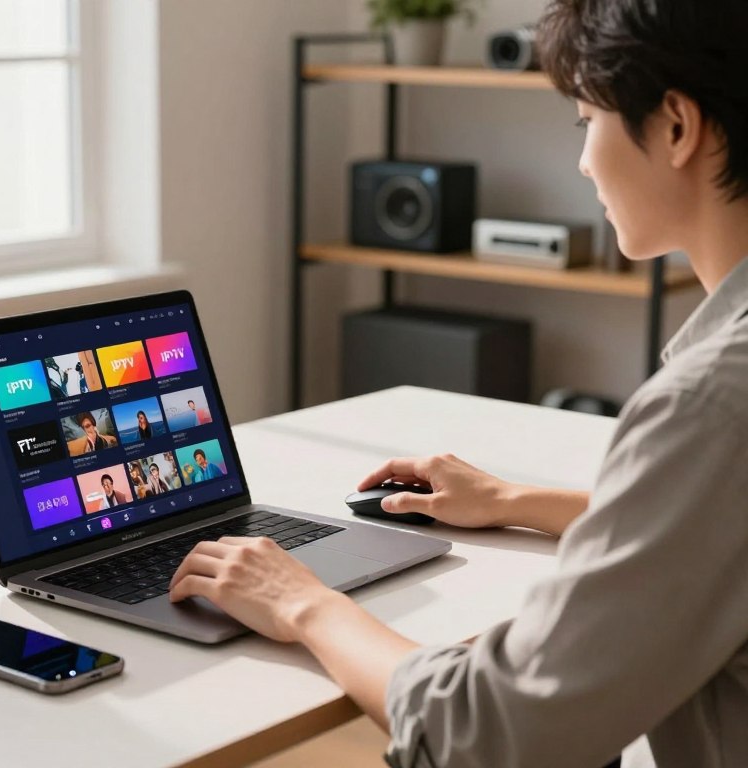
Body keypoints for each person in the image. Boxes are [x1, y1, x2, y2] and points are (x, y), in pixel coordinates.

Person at [168, 2, 748, 767]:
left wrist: (302, 603)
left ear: (676, 126)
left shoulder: (712, 401)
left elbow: (494, 729)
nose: (582, 162)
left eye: (586, 123)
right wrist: (516, 503)